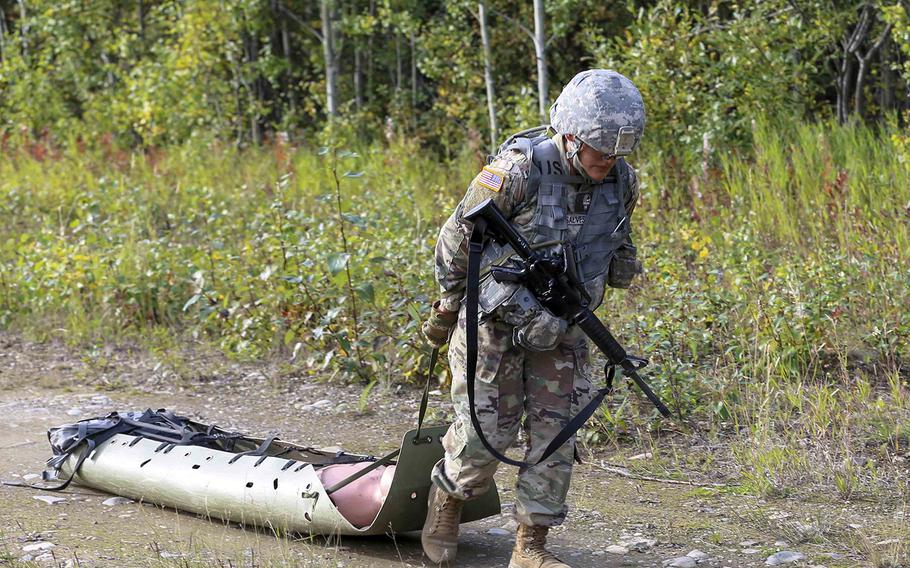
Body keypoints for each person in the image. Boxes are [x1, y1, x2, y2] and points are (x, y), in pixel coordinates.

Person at [420, 69, 646, 568]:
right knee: (486, 434)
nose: (608, 162)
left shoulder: (621, 180)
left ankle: (530, 547)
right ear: (570, 137)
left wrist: (622, 263)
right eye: (600, 151)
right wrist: (447, 304)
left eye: (617, 153)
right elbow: (456, 240)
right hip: (495, 324)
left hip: (564, 325)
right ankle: (449, 502)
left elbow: (616, 237)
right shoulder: (518, 171)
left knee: (555, 434)